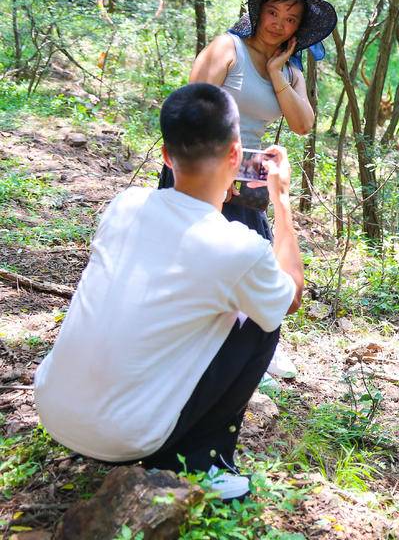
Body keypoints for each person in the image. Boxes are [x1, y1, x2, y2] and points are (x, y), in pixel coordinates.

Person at [35, 83, 304, 499]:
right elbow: (292, 296)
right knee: (264, 318)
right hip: (129, 439)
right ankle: (202, 463)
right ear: (236, 155)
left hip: (53, 410)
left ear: (165, 154)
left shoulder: (125, 204)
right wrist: (281, 200)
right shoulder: (237, 248)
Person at [160, 0, 337, 379]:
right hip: (202, 162)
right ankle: (183, 337)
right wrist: (207, 172)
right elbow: (191, 106)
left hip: (250, 169)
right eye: (273, 12)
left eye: (290, 18)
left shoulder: (289, 70)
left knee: (257, 258)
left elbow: (303, 123)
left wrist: (276, 75)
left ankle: (256, 340)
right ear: (258, 12)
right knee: (191, 254)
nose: (279, 23)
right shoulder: (229, 48)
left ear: (299, 27)